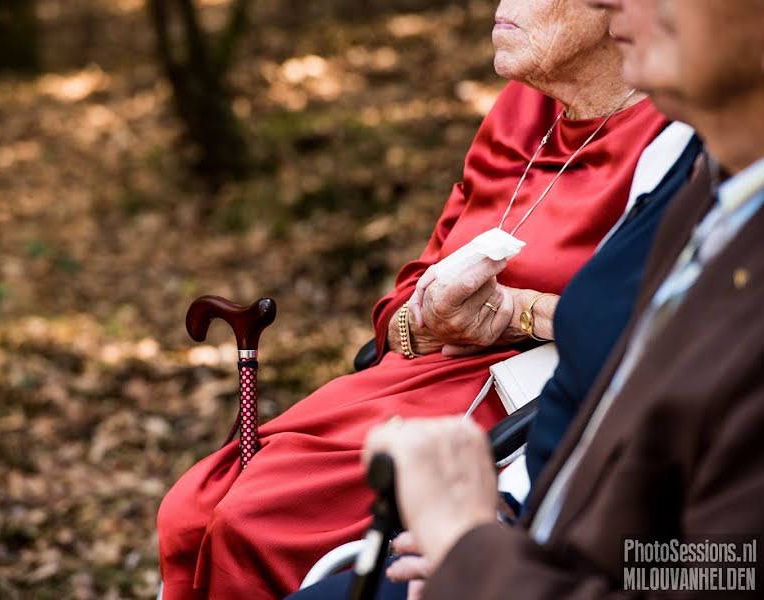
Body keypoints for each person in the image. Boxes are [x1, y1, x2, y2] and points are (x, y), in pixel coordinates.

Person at [157, 0, 670, 596]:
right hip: (413, 376)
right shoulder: (521, 110)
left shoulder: (672, 135)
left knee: (252, 524)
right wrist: (426, 321)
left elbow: (662, 323)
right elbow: (409, 292)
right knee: (189, 512)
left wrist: (517, 313)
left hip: (519, 400)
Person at [362, 1, 764, 598]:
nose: (611, 3)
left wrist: (471, 547)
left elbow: (713, 571)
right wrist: (503, 511)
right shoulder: (700, 179)